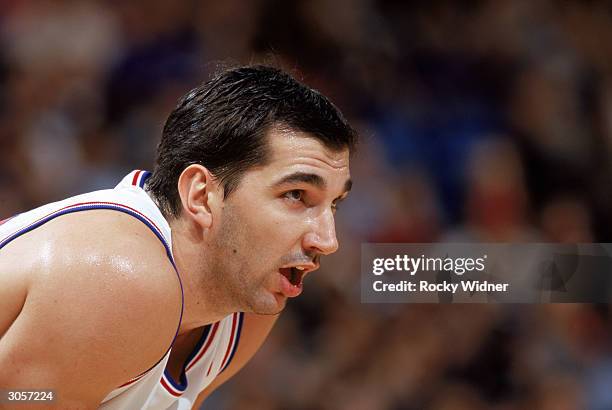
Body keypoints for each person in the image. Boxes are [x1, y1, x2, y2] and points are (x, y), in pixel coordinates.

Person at [0, 65, 356, 409]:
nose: (327, 240)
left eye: (335, 204)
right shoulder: (118, 277)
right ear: (201, 195)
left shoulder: (244, 306)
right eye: (296, 195)